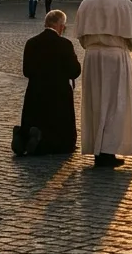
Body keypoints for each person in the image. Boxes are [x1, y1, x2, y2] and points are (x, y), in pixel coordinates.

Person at [72, 0, 132, 168]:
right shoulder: (125, 4)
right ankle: (108, 150)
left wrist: (93, 46)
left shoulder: (87, 3)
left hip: (93, 57)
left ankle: (97, 149)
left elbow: (81, 36)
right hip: (116, 56)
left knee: (95, 102)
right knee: (115, 103)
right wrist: (131, 49)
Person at [12, 9, 81, 156]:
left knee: (34, 119)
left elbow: (26, 71)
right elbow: (75, 71)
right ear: (60, 26)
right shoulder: (65, 44)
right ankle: (55, 143)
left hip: (35, 91)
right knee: (60, 124)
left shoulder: (31, 43)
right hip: (58, 92)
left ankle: (24, 136)